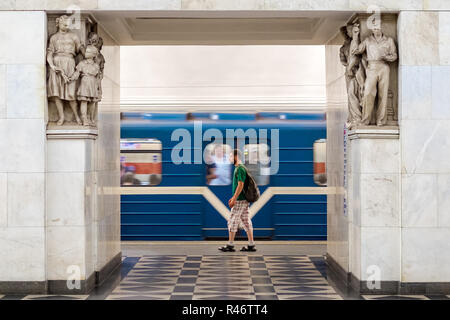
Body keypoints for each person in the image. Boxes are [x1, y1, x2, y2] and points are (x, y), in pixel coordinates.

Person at [351, 24, 397, 126]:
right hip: (372, 67)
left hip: (384, 67)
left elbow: (394, 55)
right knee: (368, 93)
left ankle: (381, 121)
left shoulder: (388, 40)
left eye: (378, 27)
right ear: (372, 29)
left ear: (381, 28)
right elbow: (356, 50)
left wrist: (387, 57)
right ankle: (365, 120)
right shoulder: (368, 40)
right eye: (374, 28)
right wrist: (355, 36)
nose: (376, 30)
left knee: (383, 95)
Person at [47, 15, 83, 126]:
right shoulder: (54, 37)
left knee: (71, 93)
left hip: (69, 63)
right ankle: (61, 116)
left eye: (68, 24)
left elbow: (80, 50)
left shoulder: (74, 36)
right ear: (59, 24)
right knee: (56, 93)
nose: (66, 26)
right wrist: (52, 65)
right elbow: (49, 53)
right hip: (57, 65)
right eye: (64, 23)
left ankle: (77, 116)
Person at [219, 149, 256, 252]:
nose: (230, 158)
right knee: (246, 221)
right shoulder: (240, 168)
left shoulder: (239, 169)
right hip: (243, 199)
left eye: (231, 156)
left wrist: (234, 198)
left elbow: (240, 185)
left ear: (236, 156)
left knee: (232, 220)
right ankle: (251, 244)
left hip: (240, 200)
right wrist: (233, 197)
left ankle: (230, 245)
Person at [69, 45, 100, 126]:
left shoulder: (96, 65)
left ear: (94, 54)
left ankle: (91, 118)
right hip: (85, 82)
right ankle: (84, 118)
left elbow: (98, 78)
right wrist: (71, 78)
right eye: (86, 51)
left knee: (92, 102)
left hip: (92, 83)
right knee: (84, 101)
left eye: (88, 52)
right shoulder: (82, 63)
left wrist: (99, 88)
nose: (86, 53)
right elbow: (77, 73)